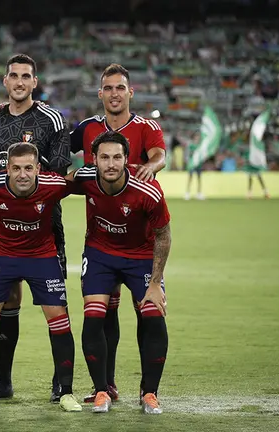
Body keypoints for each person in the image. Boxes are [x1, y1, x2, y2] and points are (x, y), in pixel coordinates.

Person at [0, 53, 71, 402]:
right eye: (14, 75)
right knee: (6, 300)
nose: (20, 82)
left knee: (56, 303)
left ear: (34, 82)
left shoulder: (51, 119)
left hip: (46, 226)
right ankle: (3, 381)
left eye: (26, 76)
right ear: (5, 81)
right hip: (6, 228)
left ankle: (61, 381)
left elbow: (58, 171)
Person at [69, 63, 167, 402]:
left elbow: (158, 155)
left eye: (120, 87)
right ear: (101, 94)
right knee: (103, 312)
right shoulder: (86, 129)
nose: (114, 93)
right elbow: (59, 154)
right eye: (108, 88)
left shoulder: (146, 127)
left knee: (147, 311)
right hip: (100, 240)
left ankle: (148, 390)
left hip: (138, 239)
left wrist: (151, 168)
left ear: (130, 92)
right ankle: (105, 386)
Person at [0, 142, 81, 412]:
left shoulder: (54, 186)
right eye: (16, 168)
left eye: (28, 168)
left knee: (59, 319)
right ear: (7, 169)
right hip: (1, 257)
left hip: (42, 258)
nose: (22, 174)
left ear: (38, 169)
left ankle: (67, 392)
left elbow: (85, 182)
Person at [185, 131, 204, 200]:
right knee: (190, 178)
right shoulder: (191, 145)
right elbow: (187, 154)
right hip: (192, 164)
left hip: (198, 164)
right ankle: (187, 193)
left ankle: (199, 193)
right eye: (196, 136)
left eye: (198, 136)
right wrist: (187, 161)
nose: (197, 138)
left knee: (199, 178)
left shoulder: (200, 146)